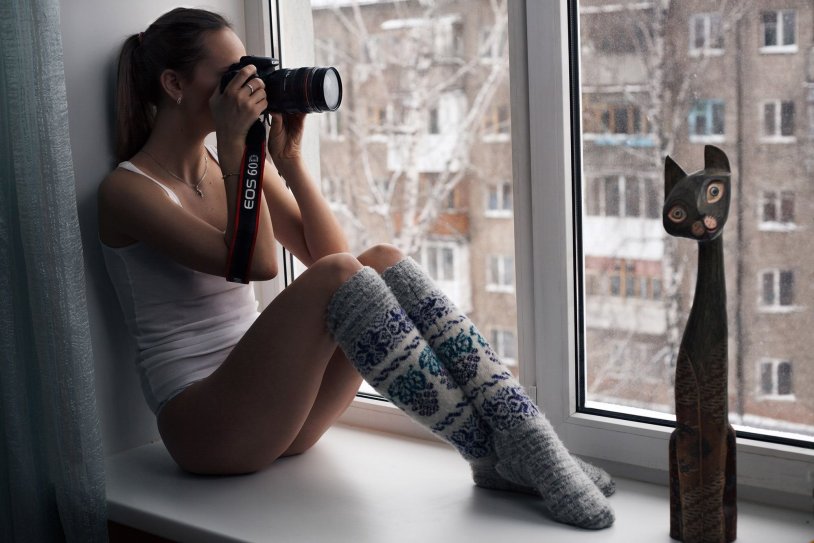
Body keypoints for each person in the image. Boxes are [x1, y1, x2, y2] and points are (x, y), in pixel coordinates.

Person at [99, 7, 615, 529]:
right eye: (231, 74)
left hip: (279, 413)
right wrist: (238, 149)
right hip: (208, 429)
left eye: (250, 70)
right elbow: (256, 265)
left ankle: (516, 444)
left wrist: (290, 158)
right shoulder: (128, 191)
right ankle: (514, 453)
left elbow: (332, 260)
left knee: (382, 261)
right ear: (174, 84)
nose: (249, 86)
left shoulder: (221, 168)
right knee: (344, 275)